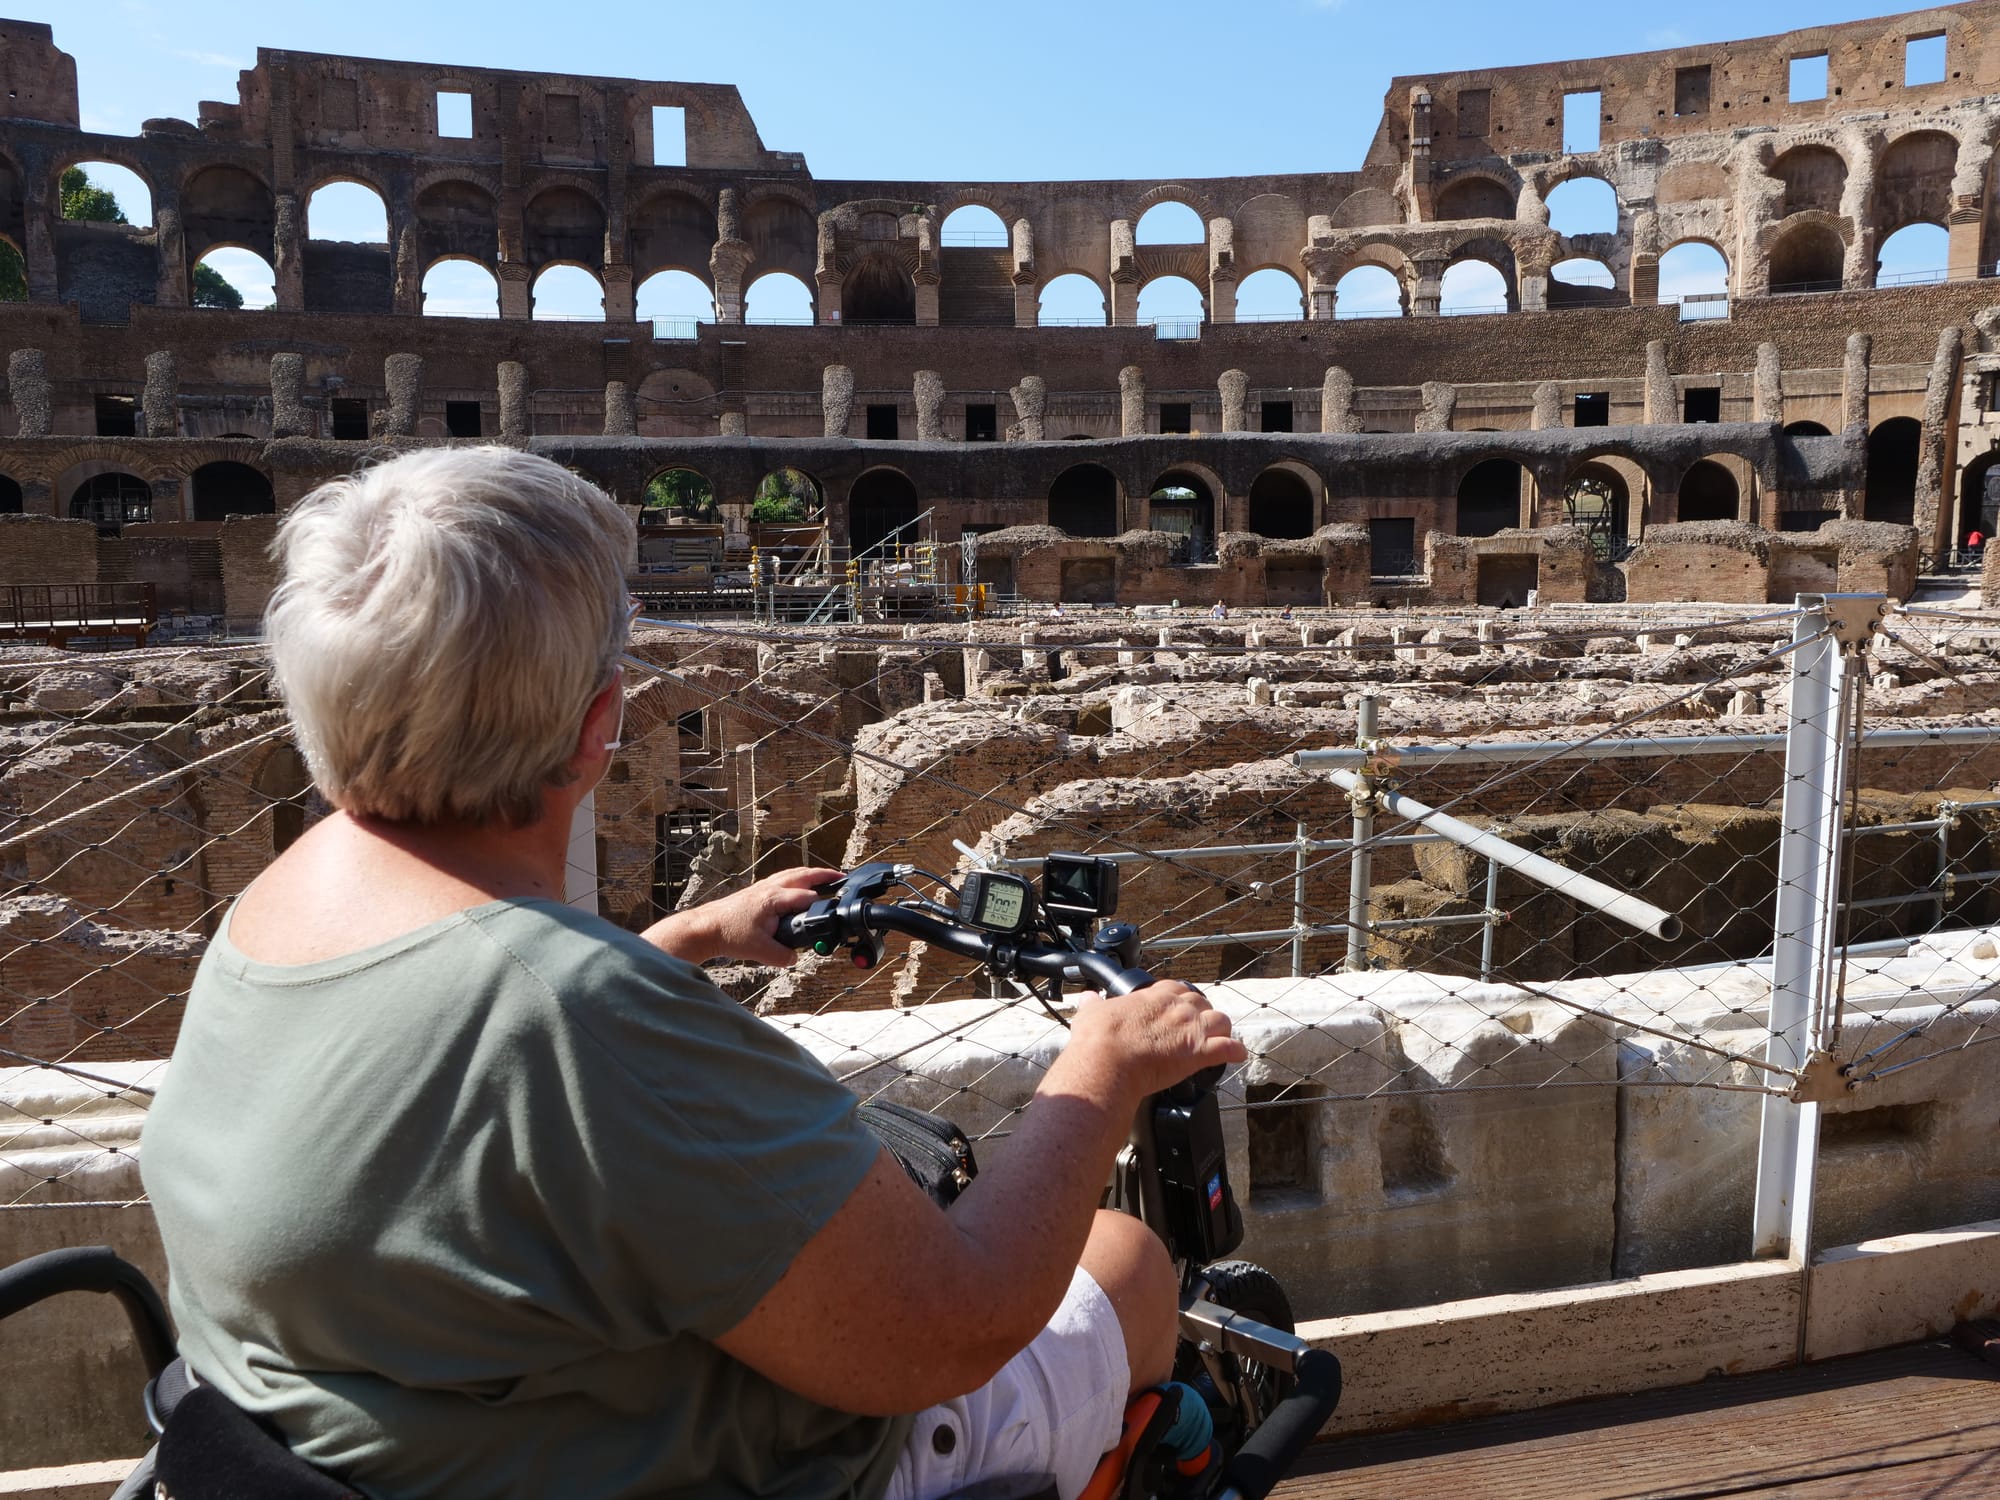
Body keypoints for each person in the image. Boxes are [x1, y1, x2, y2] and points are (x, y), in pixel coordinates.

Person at [139, 447, 1241, 1500]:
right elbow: (955, 1328)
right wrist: (1101, 1068)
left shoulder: (277, 902)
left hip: (350, 1441)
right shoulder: (580, 1022)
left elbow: (441, 1044)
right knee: (1127, 1258)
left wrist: (684, 938)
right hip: (727, 1471)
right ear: (598, 725)